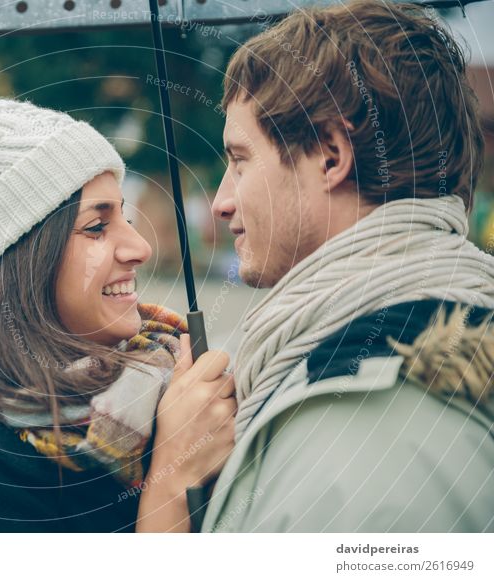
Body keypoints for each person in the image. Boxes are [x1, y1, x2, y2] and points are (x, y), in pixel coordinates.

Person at [0, 58, 236, 532]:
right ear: (21, 262)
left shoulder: (176, 389)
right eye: (97, 226)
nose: (141, 247)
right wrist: (171, 478)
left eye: (123, 215)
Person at [201, 0, 494, 532]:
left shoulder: (360, 442)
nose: (221, 202)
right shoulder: (438, 327)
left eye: (240, 160)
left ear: (331, 156)